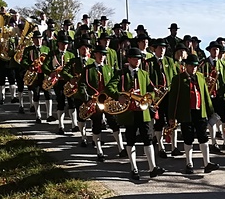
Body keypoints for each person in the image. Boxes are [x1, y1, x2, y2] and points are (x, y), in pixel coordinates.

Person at [106, 47, 165, 180]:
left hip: (143, 112)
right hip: (129, 112)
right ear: (129, 59)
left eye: (139, 59)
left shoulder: (144, 74)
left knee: (148, 139)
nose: (137, 61)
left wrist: (149, 96)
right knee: (131, 140)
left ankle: (152, 167)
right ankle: (134, 168)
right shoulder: (121, 73)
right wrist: (118, 95)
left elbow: (152, 90)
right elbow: (109, 87)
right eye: (134, 58)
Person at [168, 54, 220, 175]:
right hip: (186, 113)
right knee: (188, 139)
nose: (194, 68)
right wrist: (172, 116)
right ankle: (189, 163)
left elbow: (206, 95)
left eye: (196, 66)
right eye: (191, 66)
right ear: (186, 66)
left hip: (200, 112)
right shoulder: (178, 79)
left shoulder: (201, 77)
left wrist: (211, 111)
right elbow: (173, 99)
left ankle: (207, 163)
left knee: (203, 138)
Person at [78, 45, 124, 161]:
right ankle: (99, 151)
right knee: (97, 125)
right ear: (94, 55)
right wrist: (86, 98)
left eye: (103, 54)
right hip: (94, 101)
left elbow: (114, 84)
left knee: (114, 123)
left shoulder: (109, 69)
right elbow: (82, 85)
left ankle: (121, 148)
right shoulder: (88, 69)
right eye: (100, 54)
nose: (102, 56)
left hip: (107, 101)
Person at [147, 38, 181, 158]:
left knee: (172, 120)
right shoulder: (149, 62)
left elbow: (175, 76)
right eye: (160, 48)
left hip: (169, 96)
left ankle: (174, 147)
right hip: (157, 97)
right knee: (159, 122)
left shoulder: (170, 61)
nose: (162, 50)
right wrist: (154, 89)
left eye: (164, 48)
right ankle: (161, 147)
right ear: (154, 49)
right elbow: (147, 78)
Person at [199, 41, 225, 154]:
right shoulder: (203, 64)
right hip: (209, 96)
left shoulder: (224, 64)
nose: (215, 51)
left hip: (221, 95)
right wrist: (205, 80)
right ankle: (213, 143)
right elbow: (197, 77)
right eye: (213, 49)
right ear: (209, 51)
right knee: (211, 120)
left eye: (217, 49)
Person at [43, 33, 76, 134]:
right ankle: (61, 125)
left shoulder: (71, 55)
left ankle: (74, 124)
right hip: (58, 82)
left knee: (72, 102)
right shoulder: (53, 54)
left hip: (69, 81)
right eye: (62, 44)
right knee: (60, 101)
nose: (65, 46)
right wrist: (51, 72)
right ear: (58, 44)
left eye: (66, 44)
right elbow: (45, 66)